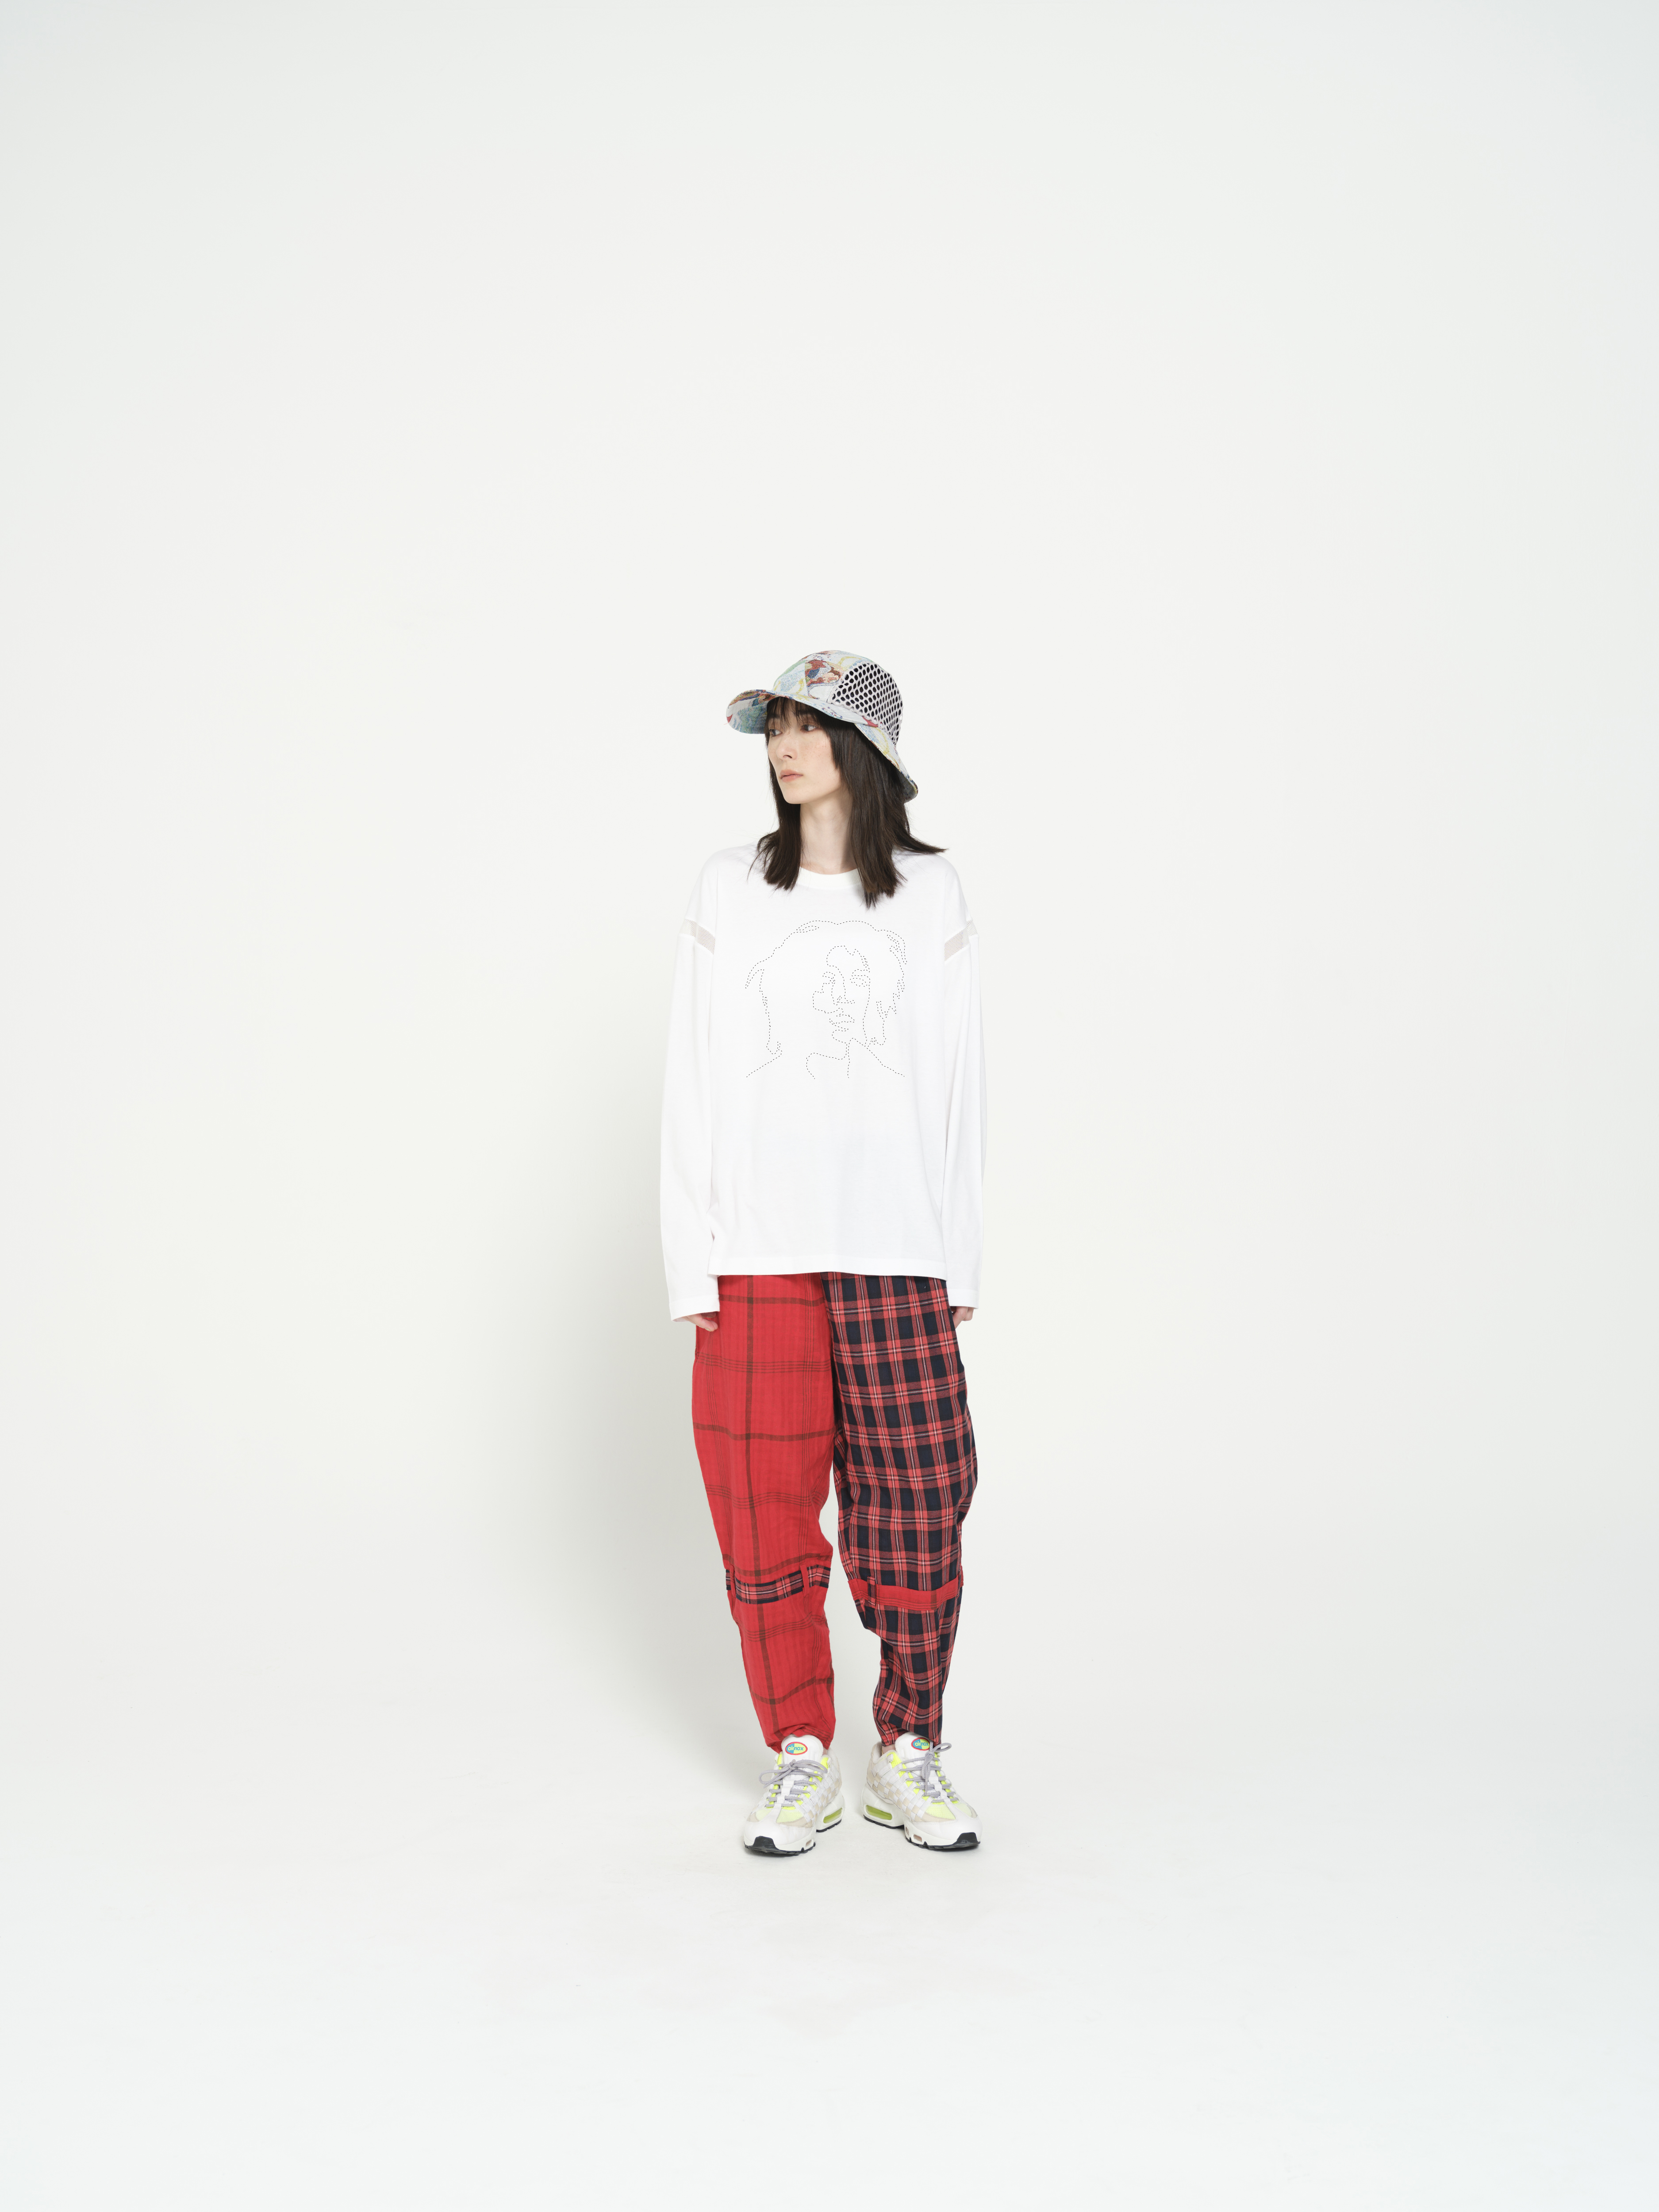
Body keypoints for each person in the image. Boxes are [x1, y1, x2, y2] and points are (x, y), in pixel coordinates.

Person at [660, 649, 987, 1855]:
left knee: (920, 1501)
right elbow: (693, 1076)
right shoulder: (731, 885)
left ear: (867, 751)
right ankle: (801, 1750)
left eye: (808, 728)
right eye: (775, 731)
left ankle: (909, 1746)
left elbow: (960, 1084)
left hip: (896, 1243)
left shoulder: (933, 894)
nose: (785, 750)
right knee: (763, 1510)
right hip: (757, 1247)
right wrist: (690, 1257)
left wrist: (958, 1257)